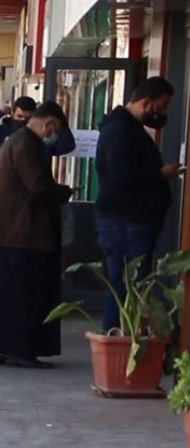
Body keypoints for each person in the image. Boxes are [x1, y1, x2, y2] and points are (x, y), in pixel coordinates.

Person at [0, 102, 74, 369]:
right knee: (24, 295)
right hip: (24, 234)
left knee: (8, 295)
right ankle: (21, 350)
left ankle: (5, 347)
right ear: (49, 124)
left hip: (12, 233)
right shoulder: (26, 144)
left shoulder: (16, 141)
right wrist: (64, 192)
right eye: (54, 131)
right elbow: (38, 186)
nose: (52, 137)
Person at [94, 76, 182, 332]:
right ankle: (116, 340)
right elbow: (123, 176)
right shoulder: (119, 131)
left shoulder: (127, 129)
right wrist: (160, 175)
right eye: (162, 106)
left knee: (129, 285)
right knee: (125, 286)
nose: (163, 114)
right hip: (126, 221)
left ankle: (121, 338)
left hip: (131, 220)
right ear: (146, 103)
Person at [0, 96, 75, 192]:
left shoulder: (42, 136)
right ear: (12, 113)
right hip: (2, 192)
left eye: (28, 118)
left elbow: (66, 146)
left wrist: (60, 121)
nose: (23, 121)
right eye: (20, 116)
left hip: (32, 193)